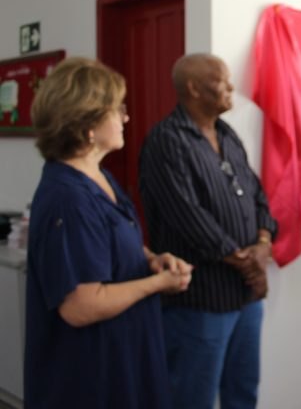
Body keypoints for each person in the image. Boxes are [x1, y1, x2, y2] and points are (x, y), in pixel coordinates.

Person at [24, 57, 192, 409]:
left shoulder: (98, 176)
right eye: (117, 110)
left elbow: (112, 241)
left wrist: (151, 259)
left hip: (124, 354)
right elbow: (81, 306)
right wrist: (156, 284)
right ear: (87, 124)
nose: (125, 118)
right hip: (91, 375)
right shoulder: (68, 199)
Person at [139, 53, 278, 409]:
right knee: (191, 398)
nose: (231, 87)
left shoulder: (227, 134)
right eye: (222, 81)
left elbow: (258, 195)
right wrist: (247, 262)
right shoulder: (166, 140)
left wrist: (264, 241)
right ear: (194, 88)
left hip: (245, 297)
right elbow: (186, 216)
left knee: (243, 392)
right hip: (200, 302)